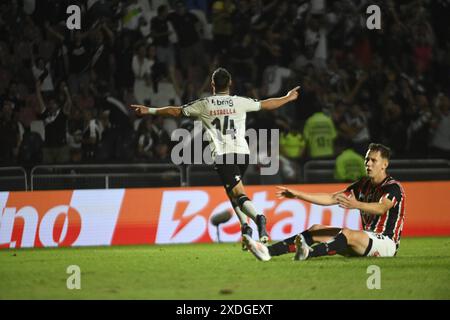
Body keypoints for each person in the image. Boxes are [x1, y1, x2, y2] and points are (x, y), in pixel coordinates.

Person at [131, 67, 300, 247]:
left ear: (212, 85)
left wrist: (149, 110)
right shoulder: (239, 102)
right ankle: (245, 228)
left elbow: (175, 111)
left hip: (223, 154)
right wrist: (287, 98)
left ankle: (258, 218)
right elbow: (266, 104)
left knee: (238, 194)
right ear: (230, 84)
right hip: (243, 154)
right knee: (232, 191)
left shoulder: (205, 104)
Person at [243, 143, 406, 261]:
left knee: (348, 234)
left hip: (386, 243)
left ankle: (309, 253)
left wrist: (357, 205)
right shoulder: (362, 185)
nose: (368, 164)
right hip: (366, 240)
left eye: (373, 160)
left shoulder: (393, 187)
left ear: (385, 164)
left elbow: (381, 208)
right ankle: (267, 251)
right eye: (366, 159)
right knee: (316, 229)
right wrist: (298, 194)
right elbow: (331, 198)